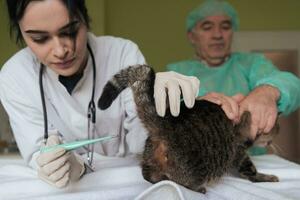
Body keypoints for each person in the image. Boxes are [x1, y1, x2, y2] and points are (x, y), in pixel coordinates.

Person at [0, 0, 201, 188]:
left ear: (85, 18)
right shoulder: (15, 75)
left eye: (70, 31)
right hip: (68, 191)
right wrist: (60, 165)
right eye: (40, 39)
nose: (60, 51)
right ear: (22, 33)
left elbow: (144, 142)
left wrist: (159, 108)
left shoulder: (122, 53)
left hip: (130, 183)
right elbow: (37, 153)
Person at [167, 0, 300, 146]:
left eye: (225, 27)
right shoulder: (177, 72)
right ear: (192, 36)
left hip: (250, 160)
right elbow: (167, 114)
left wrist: (267, 91)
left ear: (232, 33)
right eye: (207, 27)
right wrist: (201, 109)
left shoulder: (251, 63)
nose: (217, 34)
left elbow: (291, 85)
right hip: (198, 159)